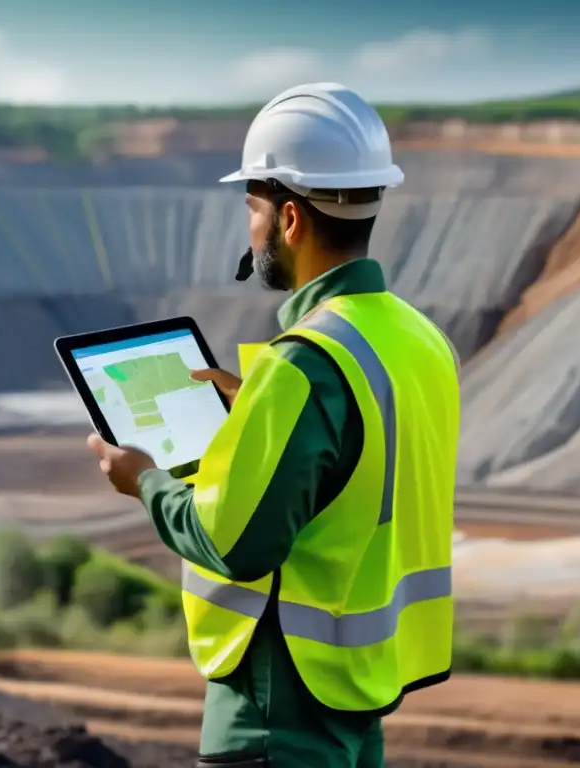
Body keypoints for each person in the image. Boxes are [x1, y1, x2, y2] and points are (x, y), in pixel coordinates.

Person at [88, 82, 461, 768]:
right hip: (356, 694)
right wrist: (259, 412)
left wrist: (143, 482)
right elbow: (356, 467)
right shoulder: (413, 338)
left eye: (253, 208)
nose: (250, 229)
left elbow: (236, 543)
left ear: (290, 218)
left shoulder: (306, 365)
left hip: (278, 712)